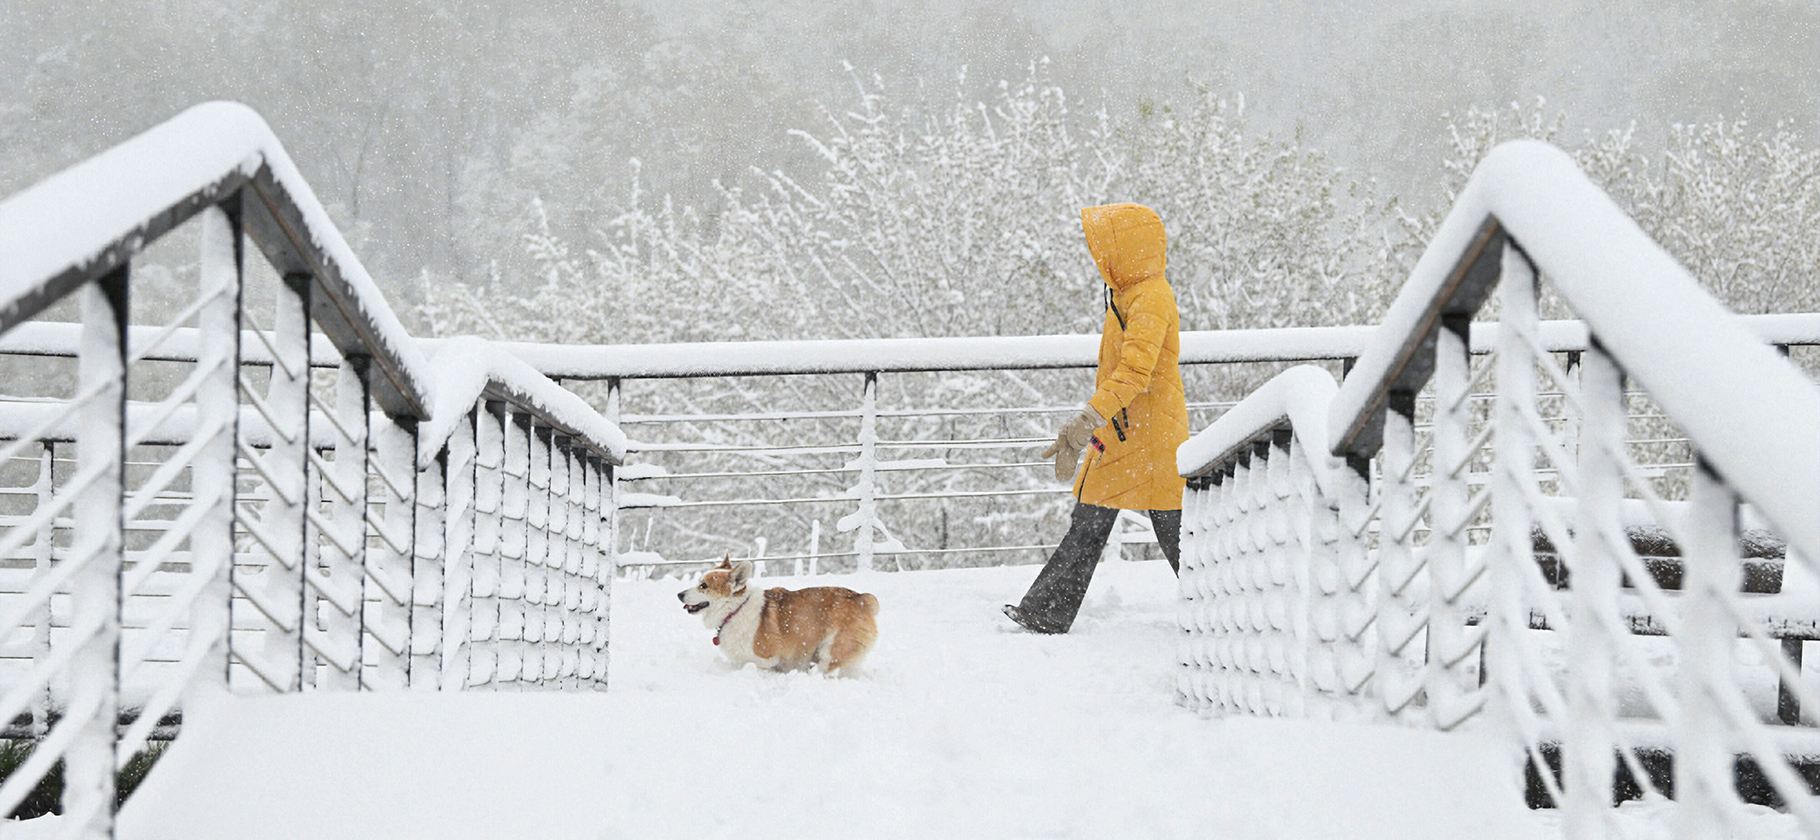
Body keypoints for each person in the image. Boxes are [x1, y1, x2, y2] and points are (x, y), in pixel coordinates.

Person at [1003, 203, 1187, 635]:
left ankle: (1229, 610)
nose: (1097, 255)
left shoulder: (1151, 297)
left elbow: (1136, 372)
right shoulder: (1128, 294)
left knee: (1176, 532)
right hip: (1124, 433)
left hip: (1152, 438)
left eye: (1104, 246)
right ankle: (1046, 611)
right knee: (1089, 520)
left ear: (1125, 249)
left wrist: (1088, 416)